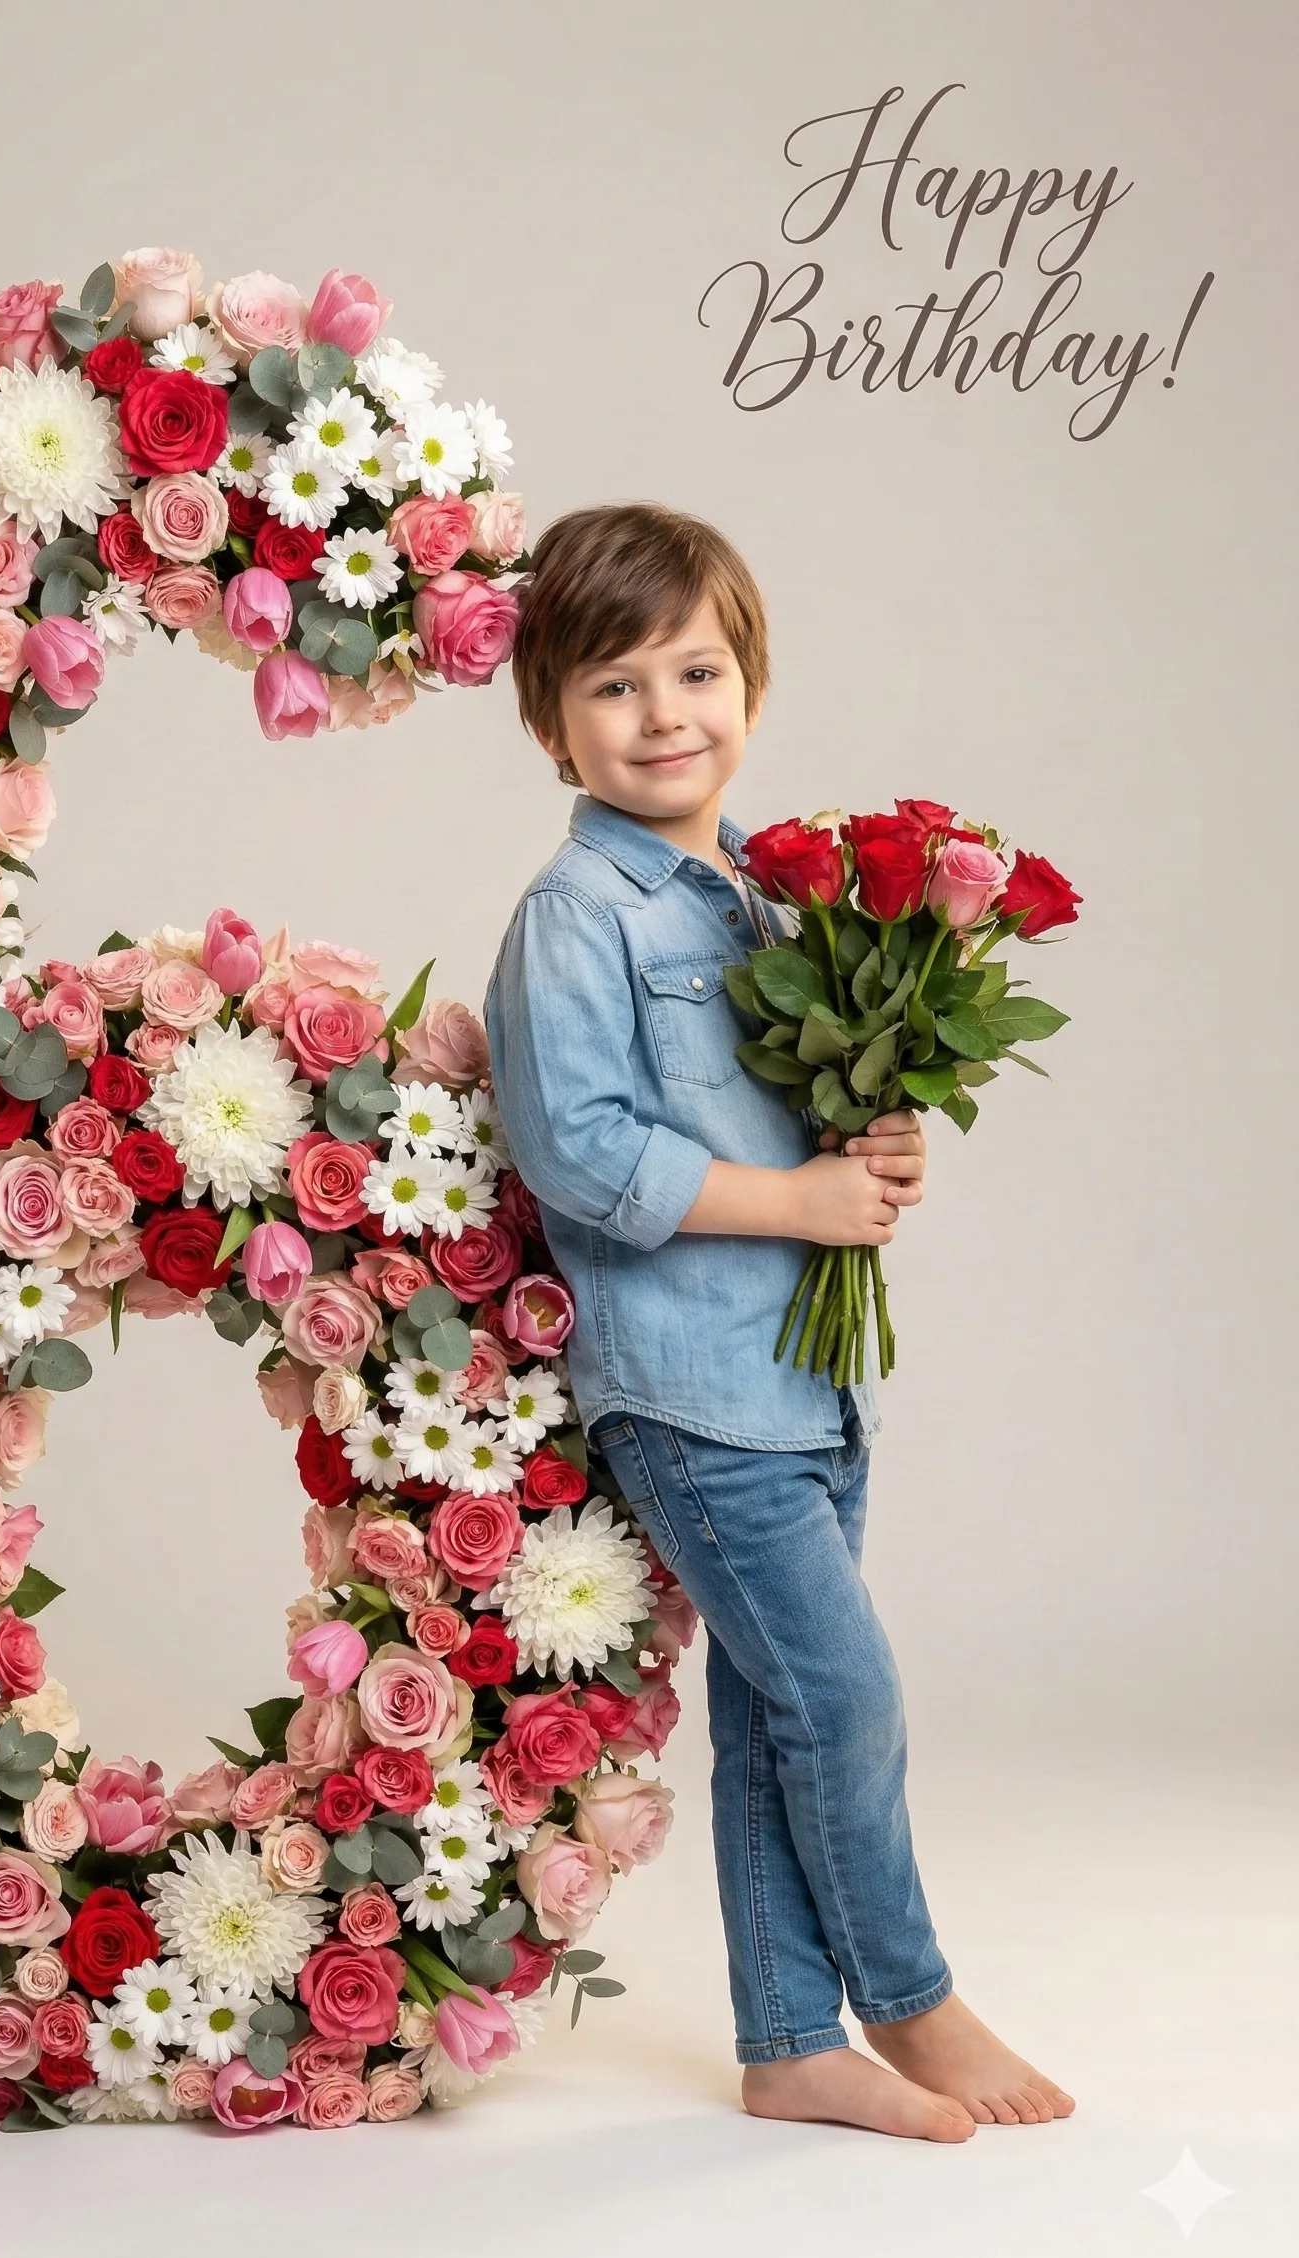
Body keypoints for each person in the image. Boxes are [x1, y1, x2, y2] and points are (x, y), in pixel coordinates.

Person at [483, 501, 1073, 2142]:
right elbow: (582, 1151)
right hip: (686, 1386)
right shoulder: (576, 917)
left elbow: (792, 1113)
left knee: (770, 1714)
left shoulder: (759, 897)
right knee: (846, 1697)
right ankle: (910, 1998)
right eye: (614, 686)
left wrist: (869, 1154)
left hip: (803, 1381)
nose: (666, 715)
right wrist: (797, 1206)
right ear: (550, 723)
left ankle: (788, 2045)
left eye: (696, 670)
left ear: (751, 682)